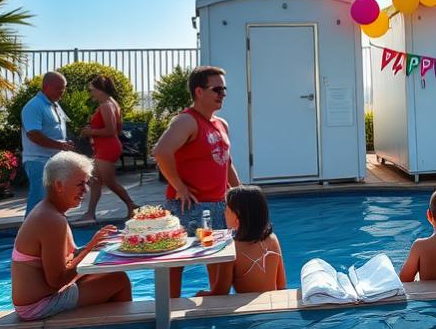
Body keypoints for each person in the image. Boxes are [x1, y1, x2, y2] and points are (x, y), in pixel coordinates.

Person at [152, 65, 240, 297]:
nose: (223, 94)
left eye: (224, 89)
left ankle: (215, 305)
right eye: (217, 89)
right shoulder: (186, 121)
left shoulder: (222, 124)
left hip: (218, 205)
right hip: (189, 206)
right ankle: (168, 308)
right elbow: (161, 152)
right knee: (176, 260)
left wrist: (240, 194)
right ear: (199, 91)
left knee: (218, 257)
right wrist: (179, 187)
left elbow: (227, 162)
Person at [11, 151, 131, 321]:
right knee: (119, 280)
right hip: (37, 306)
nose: (86, 190)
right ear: (59, 185)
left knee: (110, 271)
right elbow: (57, 280)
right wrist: (89, 248)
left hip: (41, 297)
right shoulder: (51, 219)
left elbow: (66, 259)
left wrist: (94, 243)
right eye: (80, 184)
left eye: (87, 183)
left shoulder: (50, 211)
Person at [197, 185, 286, 296]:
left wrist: (200, 294)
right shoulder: (272, 238)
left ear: (237, 218)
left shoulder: (231, 248)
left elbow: (221, 293)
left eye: (226, 209)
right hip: (272, 305)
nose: (224, 212)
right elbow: (281, 284)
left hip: (247, 311)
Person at [76, 75, 137, 223]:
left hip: (107, 147)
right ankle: (90, 213)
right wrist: (94, 131)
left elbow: (110, 130)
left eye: (92, 90)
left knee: (110, 182)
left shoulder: (106, 105)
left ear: (100, 90)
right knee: (95, 181)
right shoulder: (111, 104)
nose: (91, 93)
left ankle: (132, 206)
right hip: (104, 146)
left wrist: (90, 132)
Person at [21, 71, 75, 216]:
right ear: (46, 87)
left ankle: (53, 233)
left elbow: (57, 129)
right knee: (38, 202)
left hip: (54, 161)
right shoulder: (34, 106)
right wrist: (59, 145)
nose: (62, 92)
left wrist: (64, 144)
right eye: (59, 88)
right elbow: (33, 134)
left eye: (63, 88)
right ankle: (28, 236)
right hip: (38, 161)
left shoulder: (54, 105)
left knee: (55, 201)